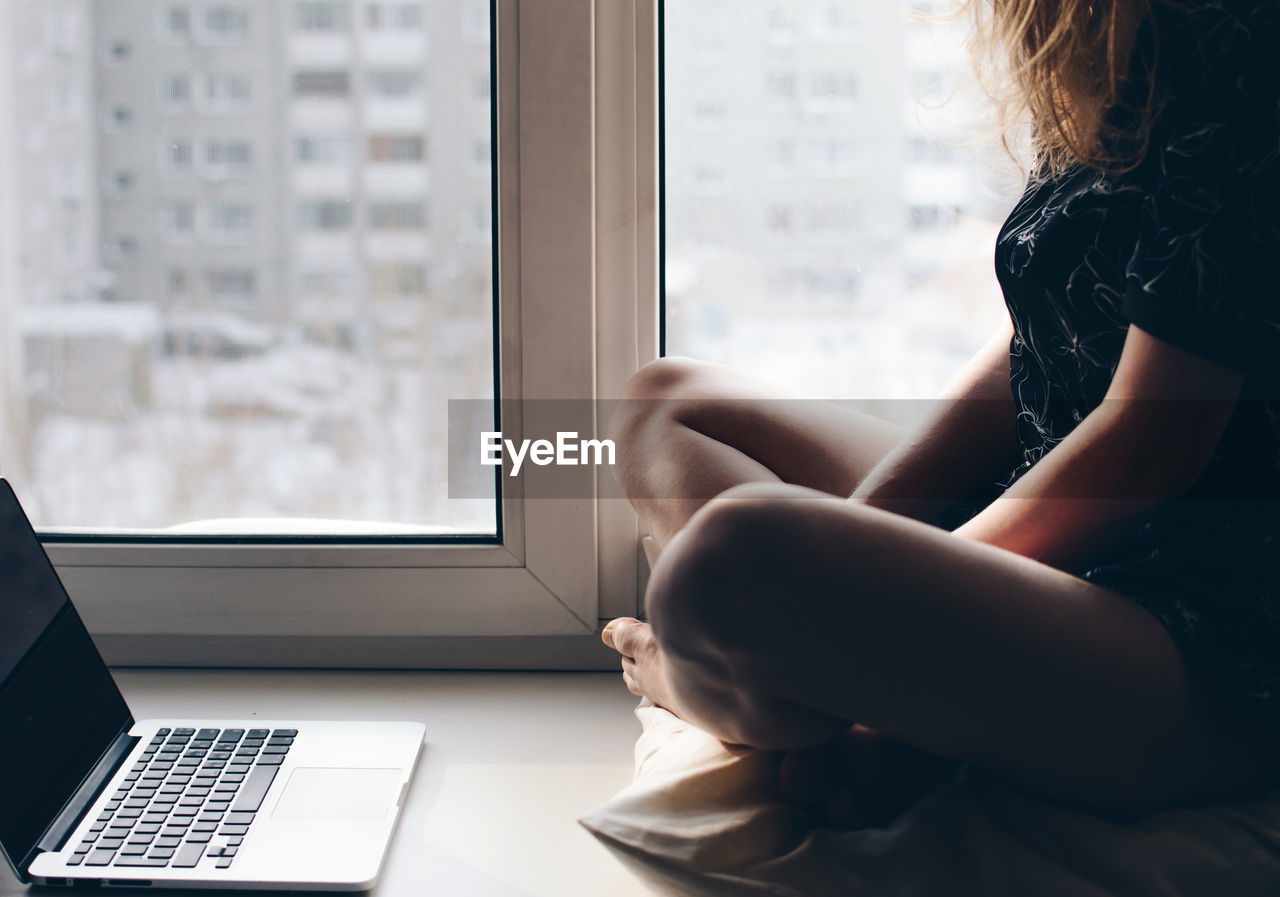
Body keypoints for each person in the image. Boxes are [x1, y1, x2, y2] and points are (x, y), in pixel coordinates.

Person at [600, 0, 1280, 821]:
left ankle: (678, 672)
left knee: (725, 561)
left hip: (1197, 635)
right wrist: (873, 560)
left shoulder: (1245, 42)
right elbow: (1036, 340)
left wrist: (874, 599)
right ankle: (870, 719)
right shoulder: (1109, 38)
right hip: (1051, 510)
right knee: (665, 404)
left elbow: (1148, 445)